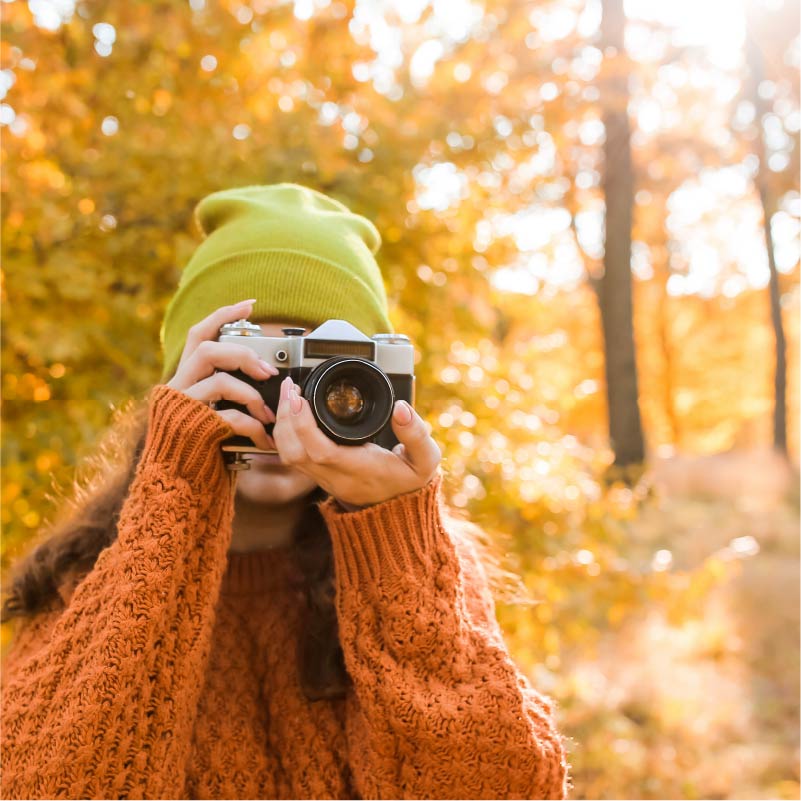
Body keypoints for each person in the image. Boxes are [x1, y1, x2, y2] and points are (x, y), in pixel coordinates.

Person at [0, 184, 572, 799]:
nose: (285, 408)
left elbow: (509, 789)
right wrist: (172, 501)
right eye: (251, 367)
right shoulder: (86, 576)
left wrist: (392, 537)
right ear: (180, 387)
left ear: (380, 388)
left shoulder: (421, 571)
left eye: (324, 376)